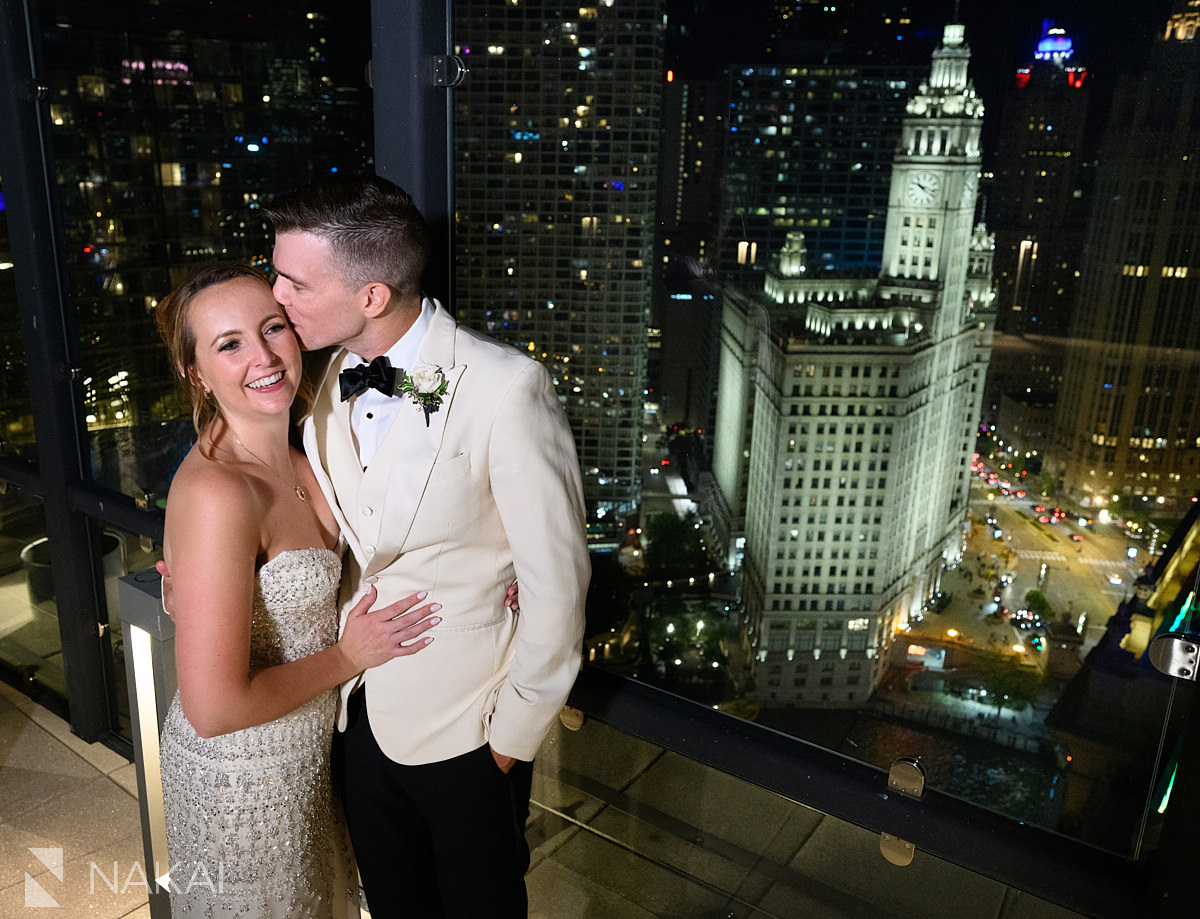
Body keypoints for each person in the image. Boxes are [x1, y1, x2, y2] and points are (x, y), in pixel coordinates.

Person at [264, 175, 590, 918]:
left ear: (371, 294)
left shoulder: (508, 388)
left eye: (295, 283)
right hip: (357, 714)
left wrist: (507, 741)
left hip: (469, 731)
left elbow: (558, 587)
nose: (275, 297)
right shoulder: (324, 379)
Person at [154, 263, 442, 917]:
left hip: (308, 762)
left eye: (272, 327)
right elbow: (214, 707)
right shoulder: (219, 494)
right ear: (196, 373)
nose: (263, 356)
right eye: (229, 343)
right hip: (240, 785)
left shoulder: (307, 444)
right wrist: (350, 656)